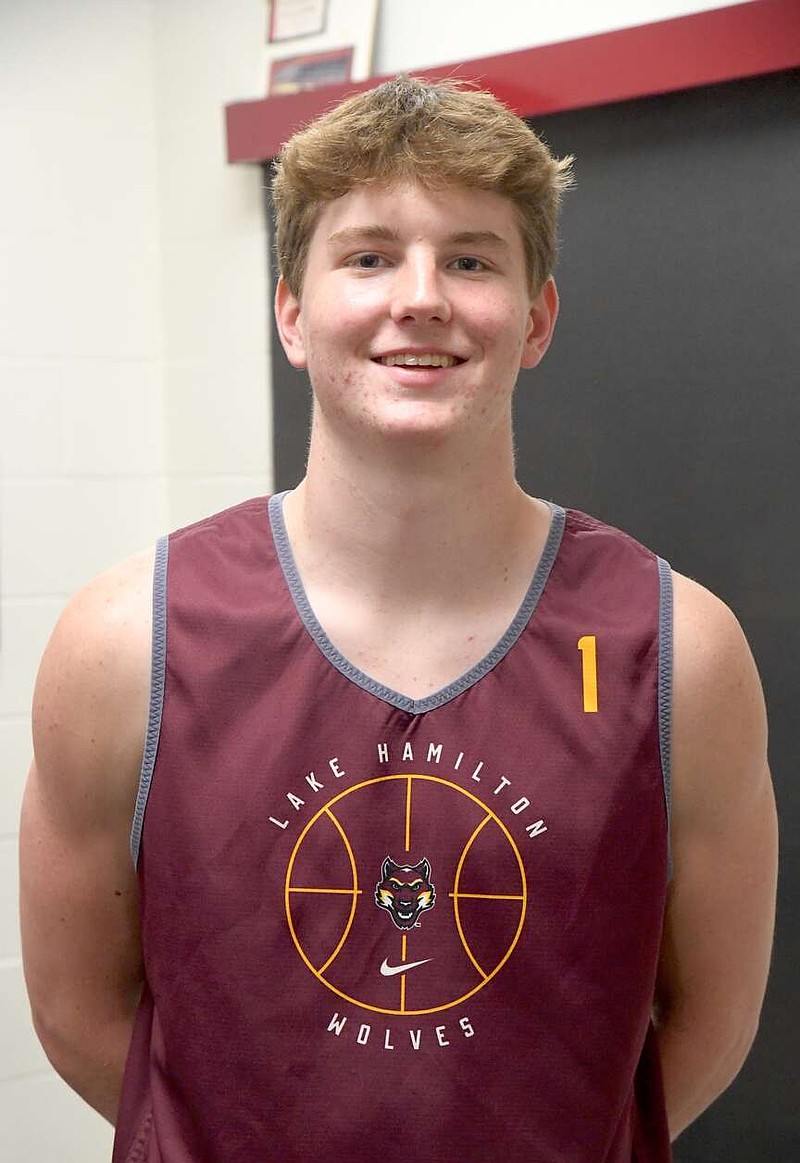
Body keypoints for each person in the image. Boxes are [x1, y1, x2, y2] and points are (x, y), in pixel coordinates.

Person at [20, 76, 777, 1162]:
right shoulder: (122, 643)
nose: (419, 297)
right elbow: (80, 1014)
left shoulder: (678, 651)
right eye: (368, 255)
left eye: (470, 259)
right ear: (290, 311)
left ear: (536, 316)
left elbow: (708, 1020)